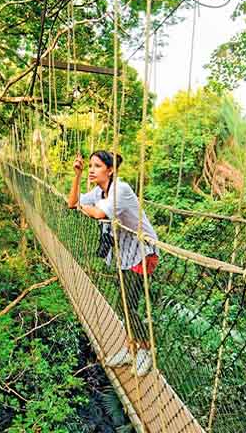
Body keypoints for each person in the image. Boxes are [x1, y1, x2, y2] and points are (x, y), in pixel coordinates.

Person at [67, 150, 159, 377]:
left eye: (96, 166)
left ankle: (145, 350)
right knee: (124, 303)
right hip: (125, 255)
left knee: (125, 304)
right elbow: (72, 203)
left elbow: (99, 214)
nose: (91, 169)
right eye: (90, 165)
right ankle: (131, 349)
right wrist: (77, 175)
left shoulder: (121, 189)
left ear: (110, 170)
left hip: (142, 252)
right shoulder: (100, 191)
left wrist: (82, 207)